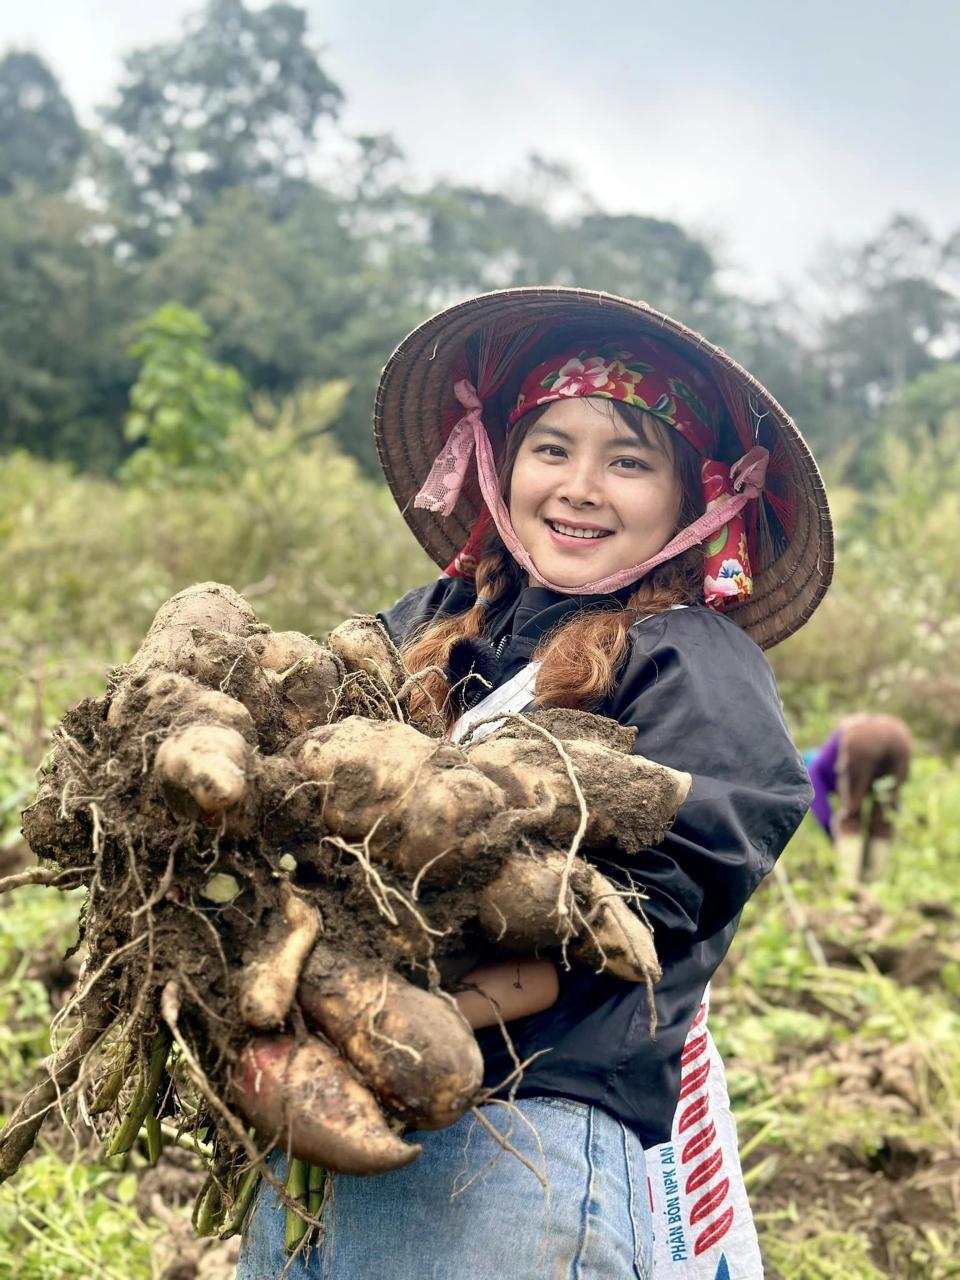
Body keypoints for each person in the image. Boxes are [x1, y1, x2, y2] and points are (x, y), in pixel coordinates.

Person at [236, 287, 833, 1280]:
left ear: (696, 498)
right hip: (328, 1112)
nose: (580, 485)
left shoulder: (694, 657)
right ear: (501, 461)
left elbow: (677, 882)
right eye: (552, 446)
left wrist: (405, 1007)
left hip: (524, 1147)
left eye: (629, 460)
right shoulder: (439, 617)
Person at [805, 713, 912, 884]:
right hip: (900, 734)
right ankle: (876, 884)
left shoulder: (813, 770)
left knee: (850, 816)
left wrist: (834, 836)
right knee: (884, 816)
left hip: (863, 737)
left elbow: (822, 811)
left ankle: (848, 886)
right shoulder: (828, 758)